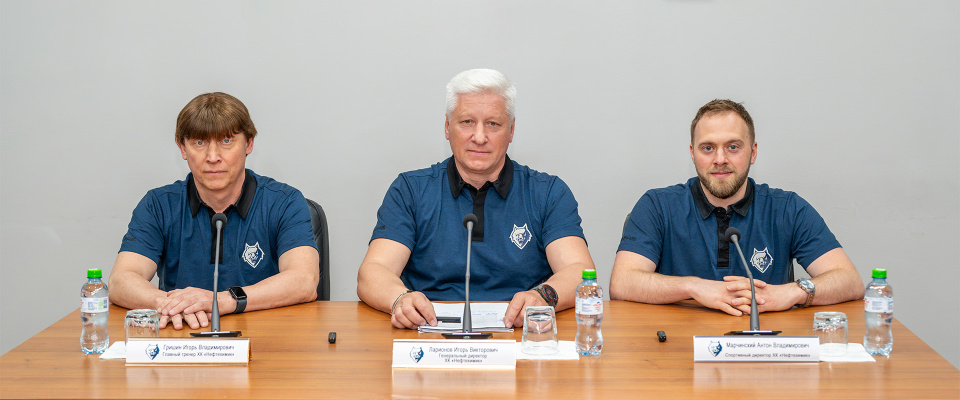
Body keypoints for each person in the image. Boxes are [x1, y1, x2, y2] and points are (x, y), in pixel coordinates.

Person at [357, 69, 595, 329]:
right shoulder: (410, 190)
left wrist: (543, 297)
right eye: (467, 122)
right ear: (447, 127)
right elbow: (372, 272)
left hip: (521, 330)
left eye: (493, 124)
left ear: (511, 130)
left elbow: (579, 271)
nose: (480, 137)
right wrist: (400, 299)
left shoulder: (548, 192)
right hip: (427, 330)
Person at [610, 99, 863, 315]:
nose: (720, 159)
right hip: (679, 346)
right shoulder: (657, 206)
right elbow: (622, 283)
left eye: (733, 147)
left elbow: (849, 281)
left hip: (764, 346)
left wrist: (792, 292)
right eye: (708, 148)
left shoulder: (788, 209)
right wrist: (693, 287)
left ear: (753, 152)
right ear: (692, 153)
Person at [108, 92, 320, 330]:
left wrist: (221, 301)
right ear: (182, 148)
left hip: (267, 336)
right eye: (199, 143)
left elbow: (304, 281)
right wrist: (170, 304)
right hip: (182, 333)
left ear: (249, 144)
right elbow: (120, 281)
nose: (212, 157)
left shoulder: (285, 202)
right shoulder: (158, 205)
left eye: (226, 141)